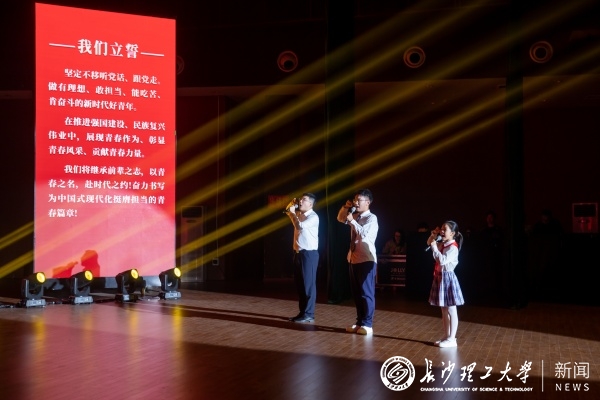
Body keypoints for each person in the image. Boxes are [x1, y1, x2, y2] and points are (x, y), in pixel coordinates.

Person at [337, 189, 379, 335]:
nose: (356, 202)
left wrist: (352, 221)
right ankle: (360, 322)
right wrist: (346, 207)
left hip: (366, 259)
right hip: (353, 258)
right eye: (355, 200)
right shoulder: (355, 216)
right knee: (356, 293)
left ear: (368, 202)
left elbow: (364, 234)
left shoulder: (372, 218)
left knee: (366, 293)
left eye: (359, 200)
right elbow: (340, 218)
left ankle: (368, 324)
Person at [426, 220, 465, 348]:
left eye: (445, 229)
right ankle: (447, 336)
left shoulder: (453, 247)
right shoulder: (443, 244)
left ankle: (452, 339)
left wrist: (434, 247)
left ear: (452, 233)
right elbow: (429, 242)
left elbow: (442, 260)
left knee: (452, 309)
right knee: (444, 310)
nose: (442, 231)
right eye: (441, 229)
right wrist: (433, 235)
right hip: (440, 277)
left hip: (448, 278)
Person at [285, 193, 319, 323]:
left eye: (304, 200)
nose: (300, 201)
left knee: (308, 285)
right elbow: (289, 213)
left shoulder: (313, 216)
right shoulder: (299, 214)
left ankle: (309, 314)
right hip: (298, 253)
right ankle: (302, 312)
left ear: (310, 204)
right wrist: (290, 208)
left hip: (309, 254)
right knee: (300, 285)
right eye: (300, 199)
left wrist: (292, 213)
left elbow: (299, 226)